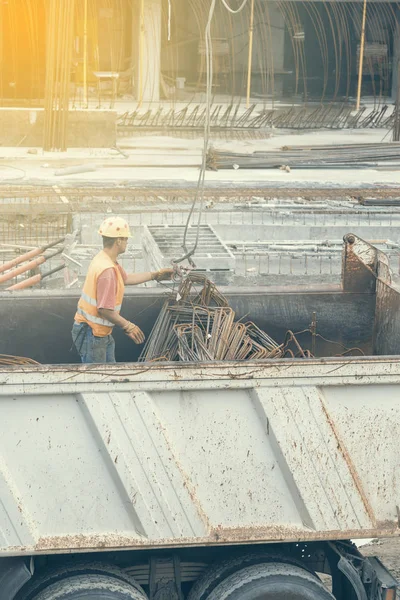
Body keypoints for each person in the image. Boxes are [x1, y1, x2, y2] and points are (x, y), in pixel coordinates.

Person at [72, 217, 173, 363]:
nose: (127, 242)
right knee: (98, 380)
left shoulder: (106, 260)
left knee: (109, 375)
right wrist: (128, 326)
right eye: (125, 239)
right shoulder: (107, 270)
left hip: (98, 332)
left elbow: (125, 279)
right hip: (91, 333)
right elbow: (104, 309)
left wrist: (155, 275)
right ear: (118, 240)